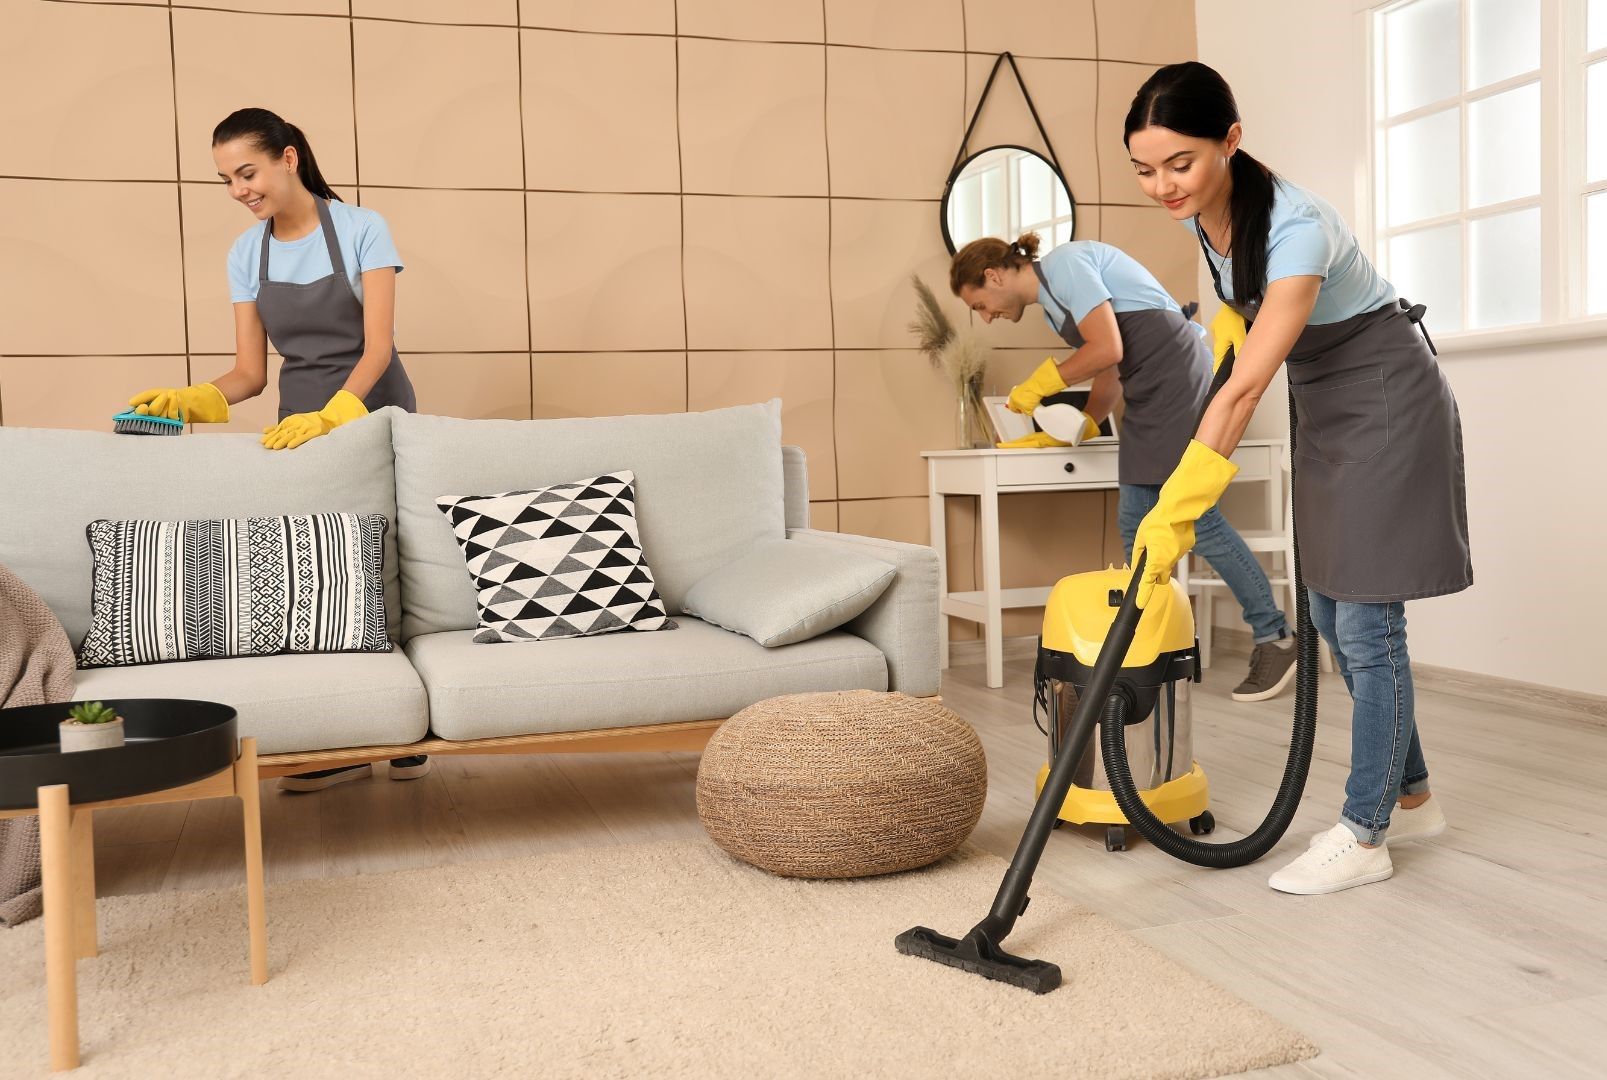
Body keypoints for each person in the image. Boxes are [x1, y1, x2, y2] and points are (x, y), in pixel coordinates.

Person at [1123, 61, 1471, 894]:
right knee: (1324, 606)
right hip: (1325, 398)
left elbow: (1247, 387)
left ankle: (1365, 832)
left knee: (1365, 619)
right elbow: (1236, 327)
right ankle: (1414, 793)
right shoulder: (1202, 220)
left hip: (1384, 393)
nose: (1163, 185)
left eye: (1181, 163)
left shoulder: (1296, 224)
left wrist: (1178, 502)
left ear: (1230, 141)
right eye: (1144, 168)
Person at [124, 107, 427, 791]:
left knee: (395, 562)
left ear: (288, 158)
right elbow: (251, 374)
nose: (239, 189)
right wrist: (192, 399)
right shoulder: (245, 253)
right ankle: (349, 735)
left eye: (247, 171)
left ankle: (410, 728)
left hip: (373, 408)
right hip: (299, 424)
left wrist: (341, 415)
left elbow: (377, 345)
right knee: (331, 574)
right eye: (227, 179)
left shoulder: (359, 228)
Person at [950, 234, 1297, 703]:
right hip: (1147, 389)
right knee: (1135, 518)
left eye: (980, 305)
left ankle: (1275, 636)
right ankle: (1145, 645)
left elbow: (1108, 348)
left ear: (993, 276)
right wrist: (1089, 422)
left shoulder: (1067, 264)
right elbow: (1110, 368)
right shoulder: (1054, 306)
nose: (986, 316)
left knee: (1191, 514)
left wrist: (1043, 381)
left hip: (1174, 376)